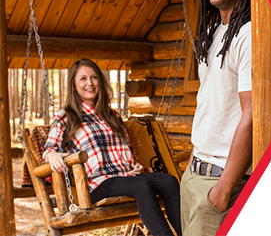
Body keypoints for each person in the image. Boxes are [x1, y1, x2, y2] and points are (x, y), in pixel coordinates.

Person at [43, 58, 182, 236]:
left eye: (94, 77)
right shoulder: (66, 116)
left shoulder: (111, 115)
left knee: (169, 181)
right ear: (74, 85)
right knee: (140, 184)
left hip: (126, 176)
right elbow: (49, 149)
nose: (90, 83)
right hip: (97, 184)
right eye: (83, 79)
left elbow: (127, 150)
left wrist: (135, 165)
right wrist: (53, 156)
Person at [180, 0, 252, 236]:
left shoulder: (247, 35)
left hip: (222, 183)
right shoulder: (213, 32)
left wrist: (222, 192)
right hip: (195, 176)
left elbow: (252, 116)